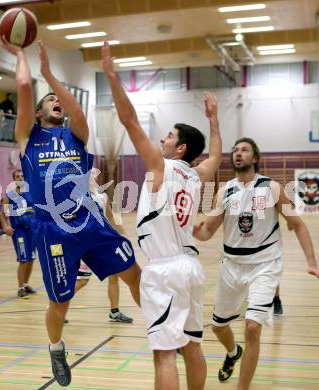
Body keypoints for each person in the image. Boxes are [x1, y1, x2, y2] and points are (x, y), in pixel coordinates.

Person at [1, 37, 141, 387]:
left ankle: (162, 328)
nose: (56, 101)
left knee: (135, 273)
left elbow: (77, 110)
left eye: (58, 98)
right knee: (59, 304)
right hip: (52, 229)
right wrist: (21, 54)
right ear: (37, 114)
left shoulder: (75, 134)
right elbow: (21, 86)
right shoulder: (28, 138)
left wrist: (50, 74)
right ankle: (56, 346)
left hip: (90, 220)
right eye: (49, 99)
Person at [102, 42, 222, 390]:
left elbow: (127, 119)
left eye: (169, 135)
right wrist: (213, 119)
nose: (162, 138)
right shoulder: (197, 175)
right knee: (192, 346)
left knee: (164, 354)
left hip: (165, 269)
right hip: (191, 268)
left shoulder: (161, 165)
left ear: (180, 148)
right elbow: (215, 154)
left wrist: (112, 76)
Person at [193, 137, 319, 390]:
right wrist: (192, 230)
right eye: (235, 150)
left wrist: (312, 262)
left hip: (265, 264)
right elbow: (207, 232)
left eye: (244, 150)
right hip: (232, 265)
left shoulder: (272, 188)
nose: (238, 153)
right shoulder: (224, 191)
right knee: (218, 327)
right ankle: (232, 352)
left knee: (252, 328)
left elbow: (298, 225)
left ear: (256, 157)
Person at [74, 168, 133, 324]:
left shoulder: (102, 196)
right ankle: (57, 305)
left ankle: (114, 312)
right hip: (87, 243)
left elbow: (111, 219)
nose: (93, 176)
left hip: (104, 241)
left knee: (115, 275)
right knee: (82, 280)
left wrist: (123, 236)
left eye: (94, 173)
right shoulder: (79, 196)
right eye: (90, 174)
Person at [0, 169, 37, 298]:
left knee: (31, 259)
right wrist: (5, 226)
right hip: (19, 230)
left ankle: (26, 284)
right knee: (24, 259)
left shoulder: (31, 192)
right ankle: (20, 287)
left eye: (22, 176)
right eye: (17, 176)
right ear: (14, 179)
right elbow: (3, 214)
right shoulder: (9, 196)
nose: (20, 178)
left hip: (32, 230)